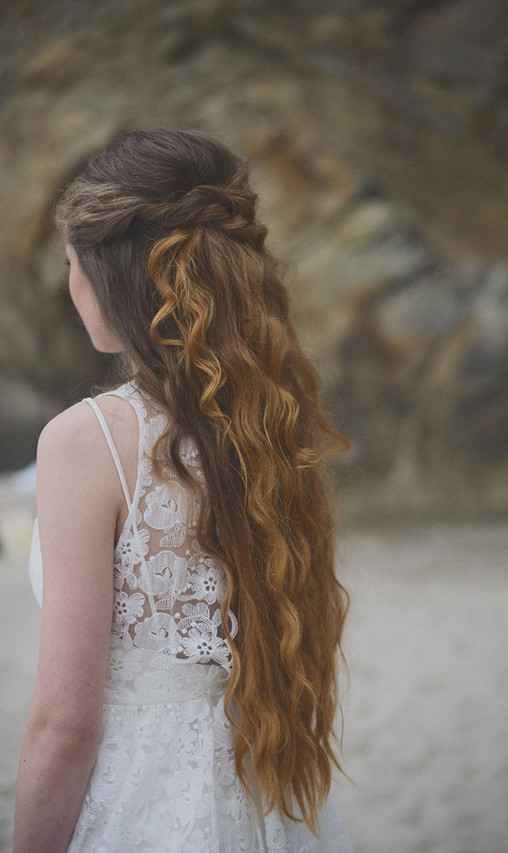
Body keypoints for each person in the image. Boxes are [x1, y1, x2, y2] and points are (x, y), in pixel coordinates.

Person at [14, 128, 353, 852]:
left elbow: (64, 723)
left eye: (71, 263)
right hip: (259, 783)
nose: (70, 287)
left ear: (105, 273)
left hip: (144, 793)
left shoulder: (85, 440)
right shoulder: (268, 420)